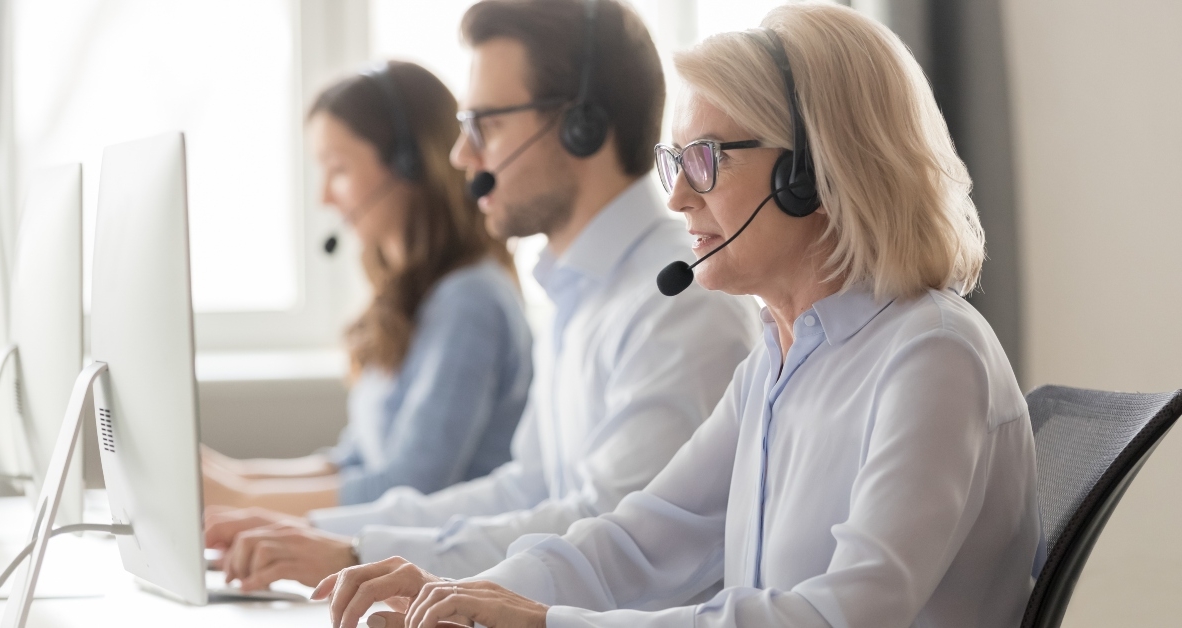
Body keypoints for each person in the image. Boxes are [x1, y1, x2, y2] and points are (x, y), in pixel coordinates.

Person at [312, 4, 1044, 628]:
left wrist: (545, 621)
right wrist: (477, 594)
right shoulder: (781, 359)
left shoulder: (932, 356)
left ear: (811, 172)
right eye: (676, 162)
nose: (678, 199)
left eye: (705, 161)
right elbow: (639, 539)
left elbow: (840, 615)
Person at [203, 0, 761, 593]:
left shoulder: (678, 302)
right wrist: (322, 536)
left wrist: (354, 552)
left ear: (582, 126)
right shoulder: (581, 292)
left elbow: (610, 532)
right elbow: (527, 487)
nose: (461, 156)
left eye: (486, 126)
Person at [201, 61, 534, 519]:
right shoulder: (413, 295)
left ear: (409, 163)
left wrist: (240, 502)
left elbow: (411, 483)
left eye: (337, 169)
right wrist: (231, 477)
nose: (324, 198)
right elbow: (355, 462)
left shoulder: (469, 301)